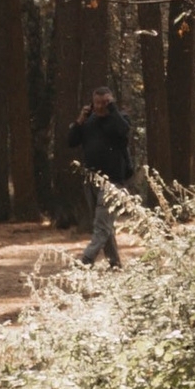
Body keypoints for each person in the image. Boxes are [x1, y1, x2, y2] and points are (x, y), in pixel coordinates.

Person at [66, 84, 134, 266]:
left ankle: (86, 261)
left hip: (113, 182)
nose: (101, 106)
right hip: (92, 181)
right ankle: (115, 264)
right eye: (97, 102)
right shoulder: (88, 122)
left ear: (111, 102)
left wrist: (112, 110)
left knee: (101, 225)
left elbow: (123, 131)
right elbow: (71, 141)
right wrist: (80, 120)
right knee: (106, 226)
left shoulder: (120, 119)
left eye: (105, 102)